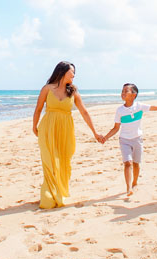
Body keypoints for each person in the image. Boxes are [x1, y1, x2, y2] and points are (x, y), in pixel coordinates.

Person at [32, 61, 104, 209]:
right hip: (47, 129)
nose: (74, 75)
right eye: (72, 72)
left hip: (65, 131)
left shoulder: (73, 91)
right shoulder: (47, 89)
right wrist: (34, 126)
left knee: (63, 160)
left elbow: (84, 112)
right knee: (49, 161)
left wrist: (95, 132)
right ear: (63, 71)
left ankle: (58, 192)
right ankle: (49, 195)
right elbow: (38, 109)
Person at [102, 83, 157, 197]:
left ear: (133, 95)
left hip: (137, 139)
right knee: (127, 163)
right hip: (124, 140)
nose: (122, 93)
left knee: (136, 164)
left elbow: (156, 107)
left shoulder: (139, 106)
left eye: (126, 91)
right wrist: (106, 137)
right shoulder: (119, 110)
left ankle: (135, 183)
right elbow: (116, 127)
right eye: (122, 91)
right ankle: (128, 188)